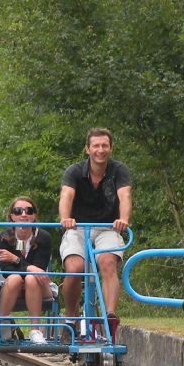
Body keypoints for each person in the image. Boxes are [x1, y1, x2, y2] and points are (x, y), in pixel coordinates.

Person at [57, 127, 132, 327]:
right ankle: (70, 317)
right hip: (78, 228)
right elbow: (66, 195)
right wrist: (65, 219)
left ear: (111, 148)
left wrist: (123, 219)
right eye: (96, 146)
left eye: (104, 145)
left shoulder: (119, 170)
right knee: (74, 268)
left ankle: (109, 318)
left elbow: (124, 195)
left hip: (108, 228)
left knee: (107, 262)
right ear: (87, 149)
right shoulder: (74, 171)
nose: (100, 150)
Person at [0, 196, 55, 344]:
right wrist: (28, 267)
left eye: (29, 210)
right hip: (13, 284)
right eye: (18, 211)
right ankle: (3, 326)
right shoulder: (4, 237)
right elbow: (6, 271)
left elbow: (39, 269)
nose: (24, 214)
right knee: (15, 278)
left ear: (34, 215)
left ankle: (35, 329)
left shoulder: (44, 237)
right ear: (12, 216)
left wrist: (15, 259)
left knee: (31, 278)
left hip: (39, 285)